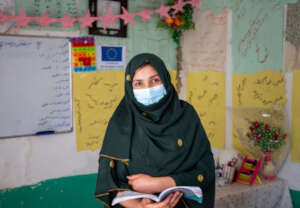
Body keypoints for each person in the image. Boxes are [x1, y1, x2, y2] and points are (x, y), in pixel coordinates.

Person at [95, 53, 215, 208]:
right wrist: (140, 207)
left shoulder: (186, 115)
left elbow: (206, 171)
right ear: (130, 87)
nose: (148, 89)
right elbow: (109, 183)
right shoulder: (120, 123)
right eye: (139, 83)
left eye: (155, 80)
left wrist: (159, 184)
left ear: (165, 80)